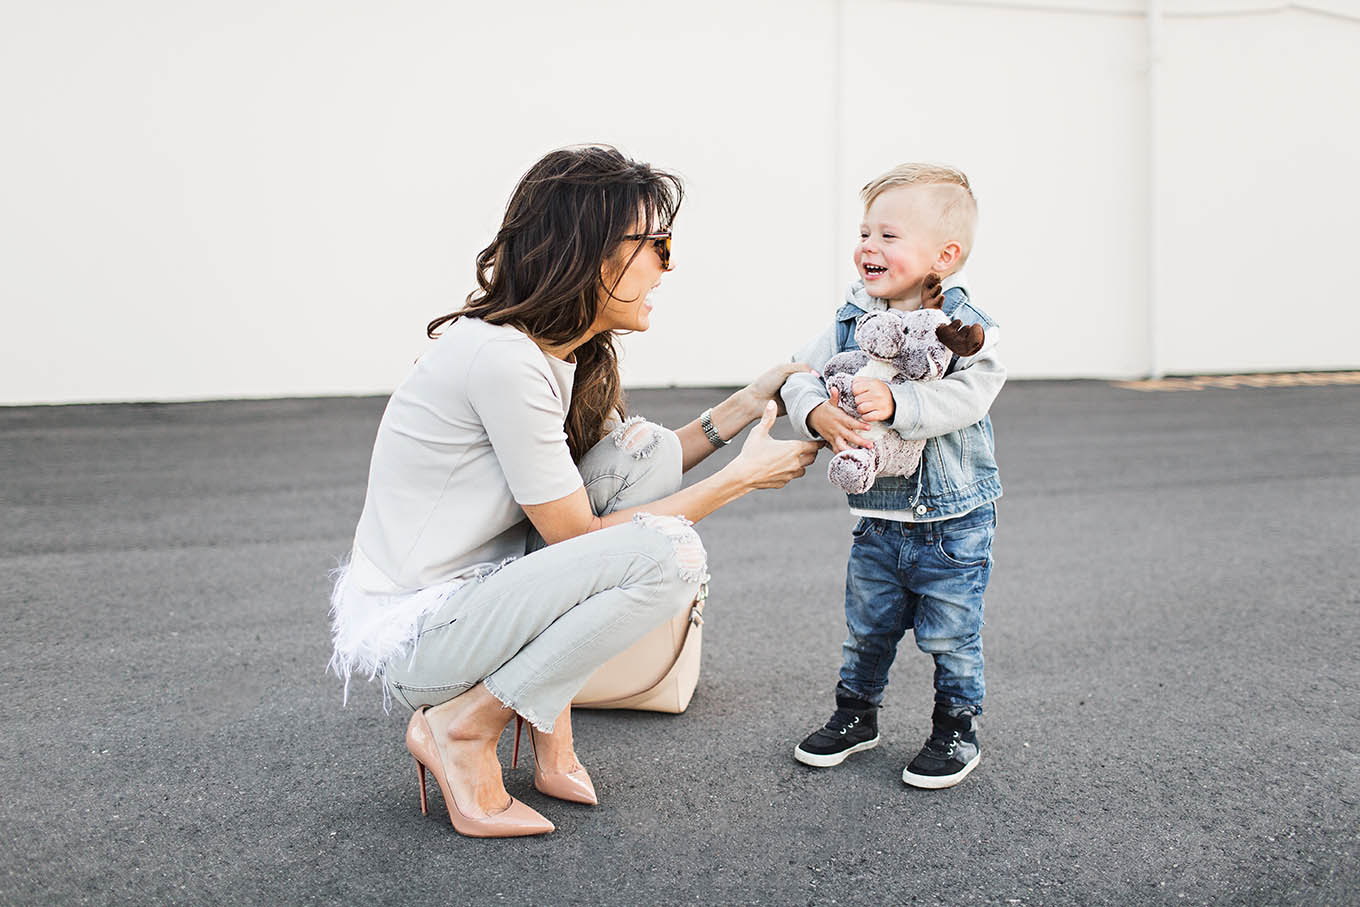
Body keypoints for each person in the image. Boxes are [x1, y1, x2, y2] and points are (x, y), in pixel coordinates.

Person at [326, 145, 821, 837]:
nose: (668, 265)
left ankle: (549, 732)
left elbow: (627, 482)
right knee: (672, 556)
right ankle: (464, 727)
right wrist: (742, 479)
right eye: (658, 245)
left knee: (635, 455)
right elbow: (580, 539)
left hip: (483, 596)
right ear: (592, 253)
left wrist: (744, 406)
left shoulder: (561, 353)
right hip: (424, 635)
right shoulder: (501, 362)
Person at [779, 163, 1005, 789]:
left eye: (888, 236)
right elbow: (798, 373)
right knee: (867, 626)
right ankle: (857, 716)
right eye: (864, 233)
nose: (868, 248)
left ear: (944, 255)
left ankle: (955, 728)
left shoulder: (966, 327)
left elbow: (972, 396)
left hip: (952, 521)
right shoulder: (853, 317)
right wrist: (818, 412)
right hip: (878, 519)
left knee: (951, 634)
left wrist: (900, 406)